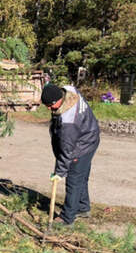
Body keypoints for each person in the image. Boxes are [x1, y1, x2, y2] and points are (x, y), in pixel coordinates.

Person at [42, 83, 100, 226]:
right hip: (90, 135)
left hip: (81, 145)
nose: (49, 109)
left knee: (74, 180)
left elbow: (67, 150)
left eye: (51, 105)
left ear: (58, 100)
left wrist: (59, 172)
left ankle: (67, 218)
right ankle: (82, 207)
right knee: (81, 177)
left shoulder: (68, 121)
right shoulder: (69, 90)